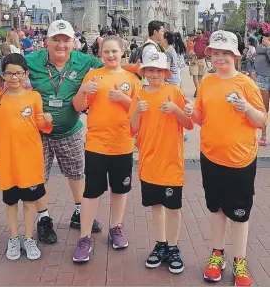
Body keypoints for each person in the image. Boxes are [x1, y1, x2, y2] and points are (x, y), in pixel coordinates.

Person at [0, 19, 141, 245]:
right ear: (47, 42)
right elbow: (3, 76)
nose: (61, 45)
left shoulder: (84, 60)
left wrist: (136, 68)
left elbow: (111, 65)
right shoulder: (31, 60)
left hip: (70, 129)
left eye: (66, 40)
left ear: (73, 42)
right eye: (56, 40)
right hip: (37, 133)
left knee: (77, 173)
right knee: (39, 177)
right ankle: (44, 218)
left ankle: (80, 212)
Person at [191, 30, 267, 286]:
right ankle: (217, 254)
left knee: (239, 213)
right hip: (211, 156)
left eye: (225, 53)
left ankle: (240, 260)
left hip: (241, 160)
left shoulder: (246, 84)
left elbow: (261, 120)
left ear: (235, 56)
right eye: (216, 53)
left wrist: (247, 108)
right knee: (215, 209)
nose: (220, 58)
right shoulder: (207, 83)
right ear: (210, 54)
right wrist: (188, 111)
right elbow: (200, 118)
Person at [0, 53, 53, 261]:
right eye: (9, 73)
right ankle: (14, 238)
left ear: (26, 74)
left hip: (30, 161)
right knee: (10, 202)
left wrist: (46, 120)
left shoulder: (33, 97)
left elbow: (41, 125)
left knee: (29, 201)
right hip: (7, 161)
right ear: (3, 74)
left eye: (18, 73)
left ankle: (28, 237)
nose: (14, 77)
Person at [72, 36, 141, 262]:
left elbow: (140, 111)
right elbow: (79, 106)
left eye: (114, 51)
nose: (110, 55)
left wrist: (123, 99)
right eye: (106, 52)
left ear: (122, 51)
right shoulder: (93, 76)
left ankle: (116, 227)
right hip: (96, 145)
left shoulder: (132, 79)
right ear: (101, 54)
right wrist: (82, 90)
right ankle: (85, 236)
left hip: (122, 144)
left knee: (120, 190)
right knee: (91, 192)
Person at [129, 52, 193, 273]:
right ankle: (161, 243)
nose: (154, 74)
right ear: (144, 72)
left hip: (171, 161)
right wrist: (136, 110)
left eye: (159, 70)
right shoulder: (139, 94)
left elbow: (189, 124)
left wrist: (176, 110)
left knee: (173, 208)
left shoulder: (174, 92)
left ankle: (173, 247)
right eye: (150, 70)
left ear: (166, 72)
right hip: (149, 161)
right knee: (156, 206)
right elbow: (132, 129)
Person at [255, 32, 270, 146]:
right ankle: (263, 135)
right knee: (263, 109)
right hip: (262, 79)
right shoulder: (260, 47)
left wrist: (269, 47)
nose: (265, 39)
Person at [190, 29, 208, 97]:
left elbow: (209, 49)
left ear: (202, 34)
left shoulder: (206, 41)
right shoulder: (193, 40)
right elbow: (189, 49)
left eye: (198, 33)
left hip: (202, 60)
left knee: (200, 76)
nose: (197, 34)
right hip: (194, 60)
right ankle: (198, 90)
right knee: (195, 75)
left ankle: (197, 90)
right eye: (196, 33)